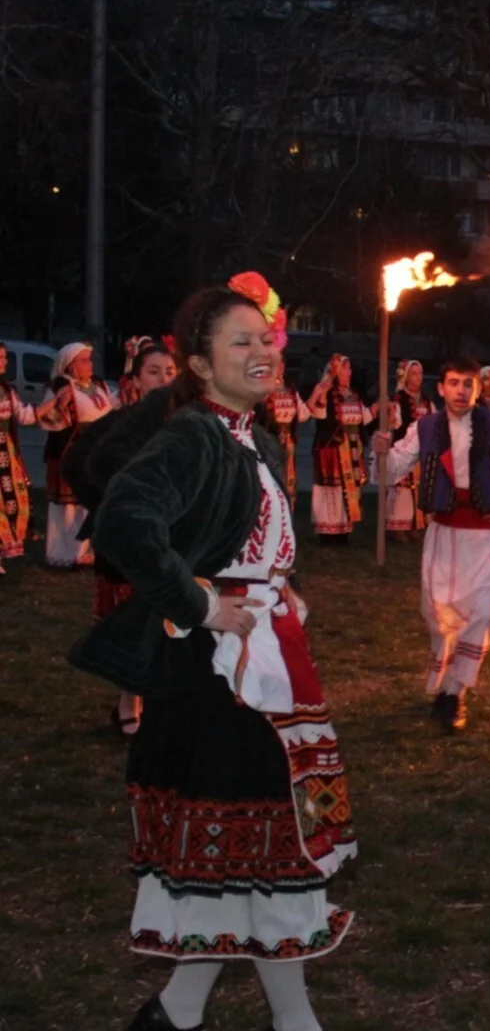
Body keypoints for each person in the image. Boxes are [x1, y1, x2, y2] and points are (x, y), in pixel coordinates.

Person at [74, 281, 356, 1031]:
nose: (263, 351)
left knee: (244, 858)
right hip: (218, 680)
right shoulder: (195, 432)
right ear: (199, 363)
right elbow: (128, 519)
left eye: (266, 339)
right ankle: (293, 1023)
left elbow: (242, 530)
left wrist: (280, 584)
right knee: (266, 847)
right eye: (241, 342)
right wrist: (199, 602)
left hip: (266, 662)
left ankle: (176, 1012)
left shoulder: (252, 437)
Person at [373, 356, 490, 733]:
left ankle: (455, 693)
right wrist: (380, 450)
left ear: (477, 388)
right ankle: (445, 682)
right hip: (445, 534)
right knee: (439, 617)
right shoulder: (424, 428)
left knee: (484, 613)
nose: (460, 390)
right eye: (453, 383)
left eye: (467, 384)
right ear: (441, 388)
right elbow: (390, 471)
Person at [69, 342, 177, 737]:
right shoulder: (115, 425)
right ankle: (129, 702)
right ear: (135, 380)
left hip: (173, 540)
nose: (164, 380)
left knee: (169, 619)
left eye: (169, 372)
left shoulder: (187, 425)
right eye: (154, 372)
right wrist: (112, 510)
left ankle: (161, 699)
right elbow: (77, 465)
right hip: (127, 544)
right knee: (133, 621)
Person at [38, 341, 119, 567]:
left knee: (87, 503)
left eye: (90, 359)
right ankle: (61, 555)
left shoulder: (97, 385)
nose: (89, 364)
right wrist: (59, 407)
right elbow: (46, 420)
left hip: (95, 451)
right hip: (69, 451)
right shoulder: (60, 387)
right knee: (66, 506)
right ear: (70, 365)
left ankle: (83, 552)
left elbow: (109, 408)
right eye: (83, 360)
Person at [307, 354, 369, 544]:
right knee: (331, 490)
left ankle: (343, 531)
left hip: (351, 450)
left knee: (348, 490)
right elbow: (317, 413)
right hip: (332, 450)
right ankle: (327, 533)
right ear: (335, 372)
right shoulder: (329, 394)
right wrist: (321, 395)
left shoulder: (353, 395)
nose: (349, 373)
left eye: (349, 369)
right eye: (345, 368)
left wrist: (377, 409)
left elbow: (364, 418)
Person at [382, 359, 434, 542]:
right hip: (403, 447)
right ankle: (396, 526)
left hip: (422, 450)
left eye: (420, 373)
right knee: (401, 488)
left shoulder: (426, 399)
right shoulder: (399, 399)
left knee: (417, 488)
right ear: (405, 377)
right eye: (414, 373)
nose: (418, 377)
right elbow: (394, 423)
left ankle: (415, 525)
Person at [0, 341, 38, 574]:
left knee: (8, 501)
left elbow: (24, 416)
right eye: (0, 357)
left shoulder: (6, 388)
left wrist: (54, 403)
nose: (5, 361)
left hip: (5, 451)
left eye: (4, 357)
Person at [264, 367, 310, 495]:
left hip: (289, 439)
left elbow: (302, 413)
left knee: (289, 477)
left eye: (281, 364)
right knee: (271, 476)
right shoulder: (264, 387)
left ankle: (288, 509)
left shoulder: (290, 389)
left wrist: (318, 393)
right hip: (270, 439)